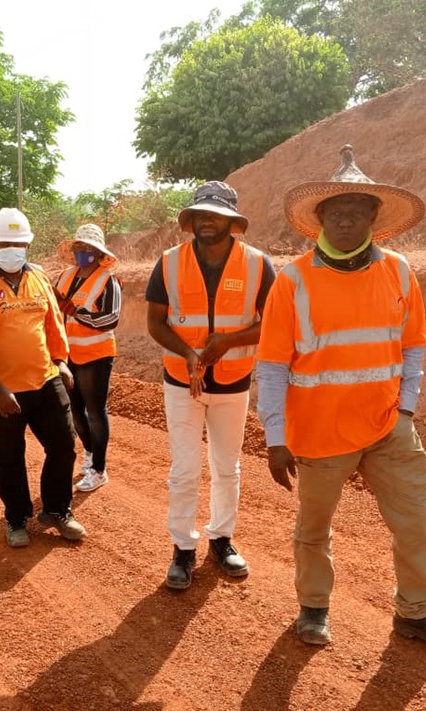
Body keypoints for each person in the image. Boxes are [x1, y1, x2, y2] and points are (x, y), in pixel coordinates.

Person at [256, 144, 426, 655]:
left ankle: (417, 612)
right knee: (314, 529)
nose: (345, 220)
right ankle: (313, 608)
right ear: (319, 219)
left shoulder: (398, 271)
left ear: (375, 217)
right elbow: (272, 365)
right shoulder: (292, 280)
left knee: (415, 522)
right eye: (335, 211)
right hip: (319, 432)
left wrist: (406, 410)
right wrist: (274, 436)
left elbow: (413, 345)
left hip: (388, 427)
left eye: (357, 210)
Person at [146, 181, 276, 589]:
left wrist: (229, 341)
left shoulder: (258, 264)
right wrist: (187, 353)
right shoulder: (169, 262)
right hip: (181, 381)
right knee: (185, 468)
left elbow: (274, 323)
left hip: (234, 382)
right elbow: (155, 322)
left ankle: (221, 538)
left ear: (231, 221)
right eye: (201, 214)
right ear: (192, 219)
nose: (207, 221)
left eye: (216, 215)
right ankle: (183, 547)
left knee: (226, 467)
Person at [0, 207, 87, 547]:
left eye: (19, 243)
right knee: (9, 457)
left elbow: (52, 323)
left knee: (64, 445)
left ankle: (56, 510)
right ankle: (16, 518)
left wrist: (61, 361)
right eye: (5, 243)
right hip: (3, 389)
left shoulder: (40, 277)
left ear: (28, 244)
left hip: (46, 379)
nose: (12, 249)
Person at [54, 223, 123, 492]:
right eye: (79, 247)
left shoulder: (108, 280)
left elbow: (110, 319)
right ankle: (90, 452)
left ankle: (99, 469)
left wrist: (75, 311)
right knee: (74, 411)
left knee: (95, 411)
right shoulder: (65, 276)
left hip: (96, 354)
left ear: (98, 252)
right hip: (68, 354)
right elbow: (54, 310)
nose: (82, 251)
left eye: (87, 247)